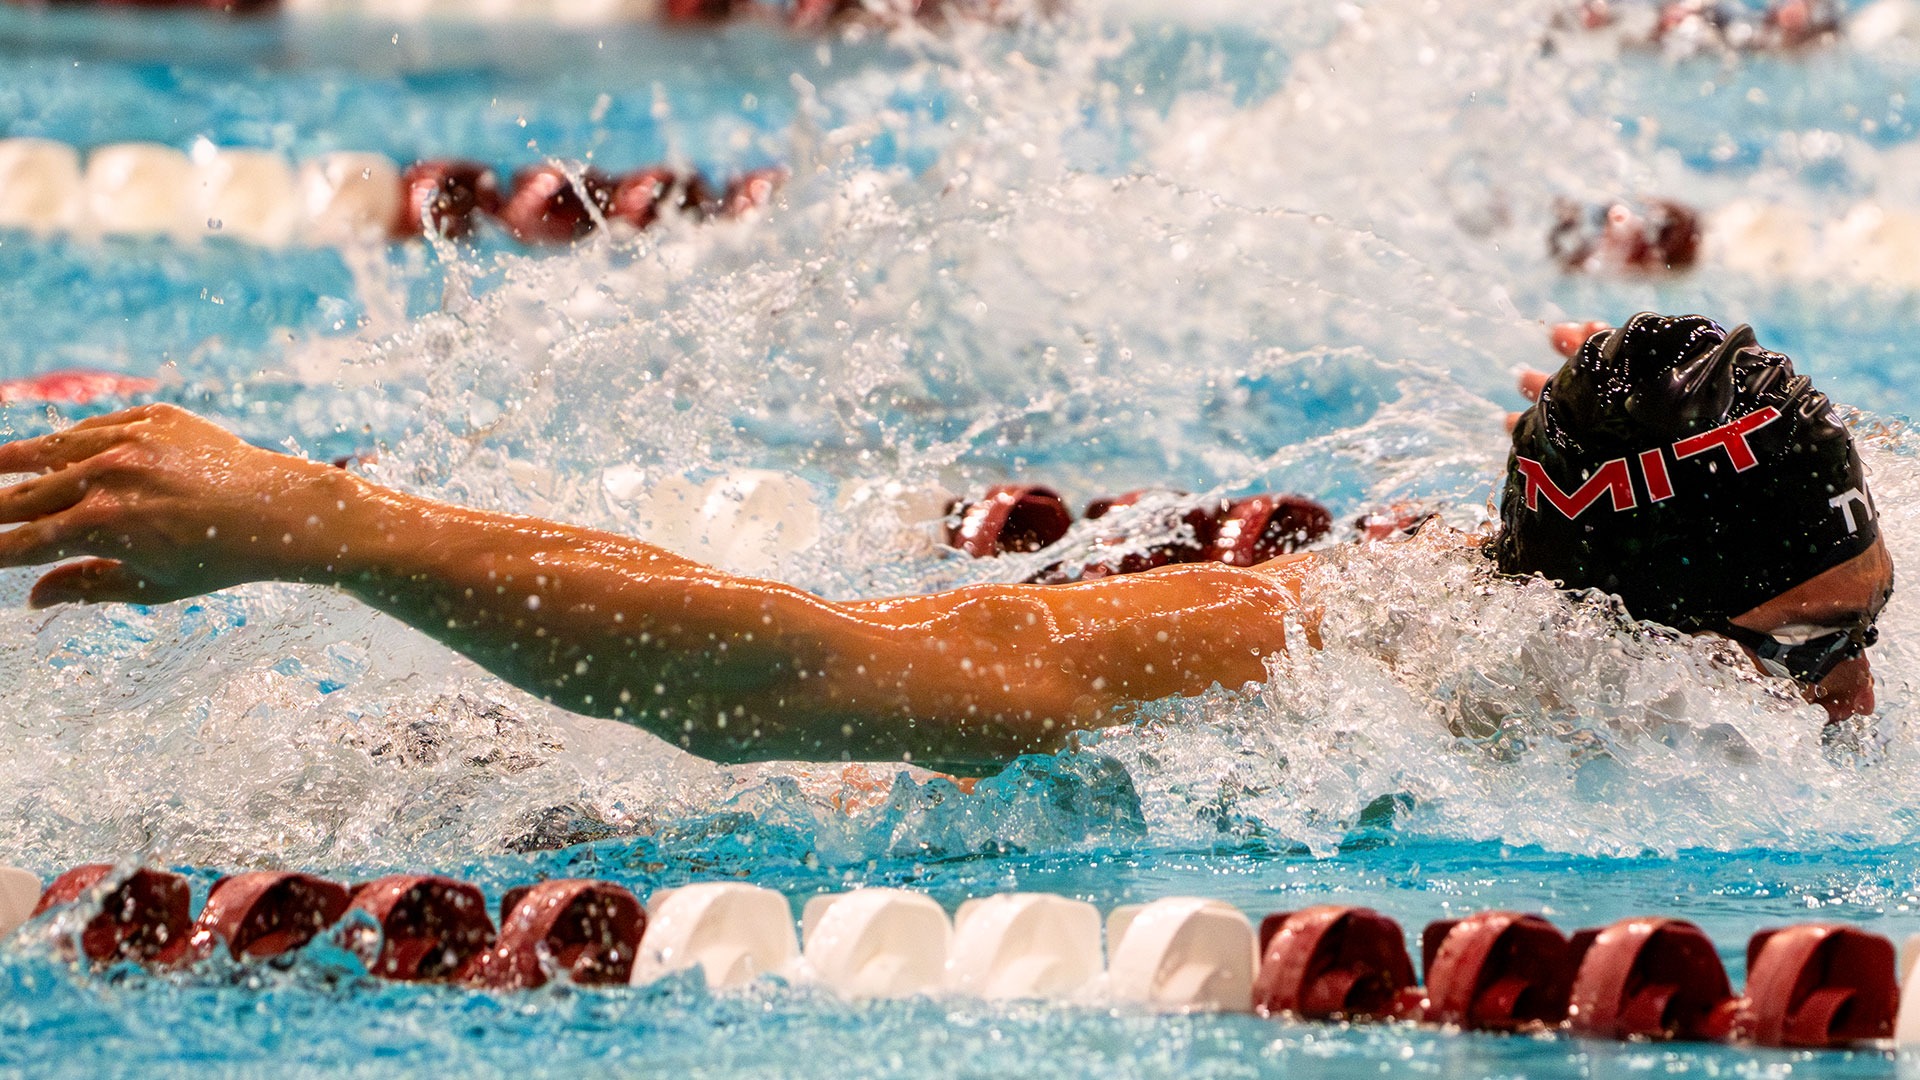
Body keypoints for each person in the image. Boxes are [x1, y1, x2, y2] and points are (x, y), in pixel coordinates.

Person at [0, 313, 1890, 771]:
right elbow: (810, 673)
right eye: (1808, 652)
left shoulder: (1630, 618)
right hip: (594, 802)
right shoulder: (1362, 662)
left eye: (1869, 625)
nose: (1863, 696)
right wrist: (328, 528)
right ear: (1629, 620)